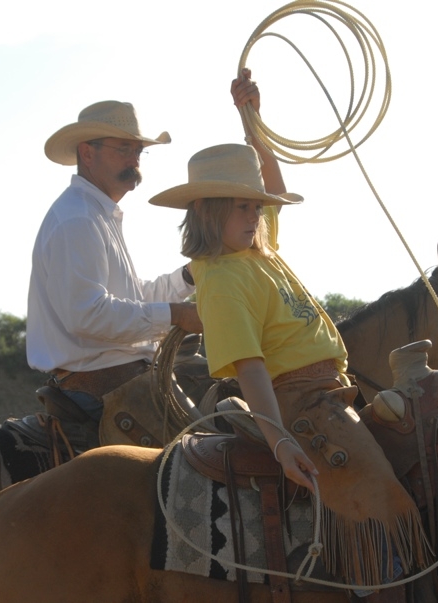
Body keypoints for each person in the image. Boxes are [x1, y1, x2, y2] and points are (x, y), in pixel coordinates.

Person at [148, 70, 348, 491]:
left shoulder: (255, 245)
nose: (255, 215)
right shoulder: (221, 278)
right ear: (207, 211)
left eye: (257, 208)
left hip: (327, 395)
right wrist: (279, 440)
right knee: (377, 493)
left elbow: (271, 179)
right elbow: (250, 367)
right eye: (244, 207)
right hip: (298, 405)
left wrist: (251, 119)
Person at [26, 100, 203, 426]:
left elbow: (130, 302)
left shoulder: (91, 214)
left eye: (138, 151)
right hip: (105, 385)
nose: (134, 159)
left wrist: (190, 277)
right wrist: (176, 314)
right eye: (124, 148)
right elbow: (88, 314)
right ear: (87, 153)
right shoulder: (78, 219)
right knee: (210, 452)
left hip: (118, 378)